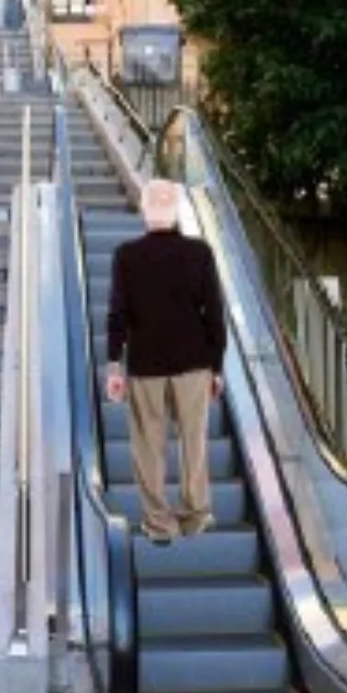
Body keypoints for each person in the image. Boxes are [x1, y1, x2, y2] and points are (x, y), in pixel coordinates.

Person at [105, 179, 227, 545]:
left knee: (148, 447)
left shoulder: (126, 256)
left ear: (145, 210)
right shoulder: (200, 253)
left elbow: (118, 314)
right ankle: (194, 515)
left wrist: (114, 364)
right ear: (176, 213)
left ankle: (159, 523)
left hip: (146, 366)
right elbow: (215, 315)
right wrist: (216, 368)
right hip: (194, 364)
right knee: (194, 441)